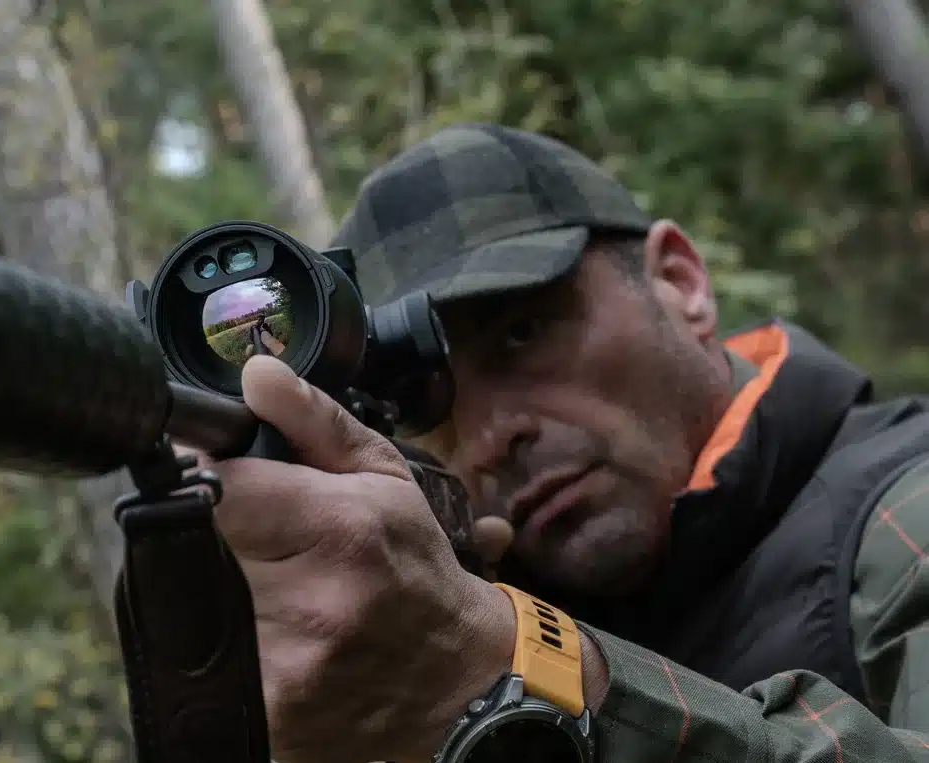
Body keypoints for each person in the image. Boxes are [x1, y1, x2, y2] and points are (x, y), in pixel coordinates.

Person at [205, 123, 929, 763]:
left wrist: (516, 683)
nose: (490, 439)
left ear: (679, 281)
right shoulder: (502, 601)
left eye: (522, 334)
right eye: (423, 402)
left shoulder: (906, 515)